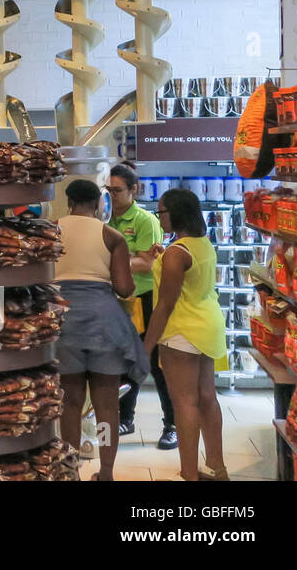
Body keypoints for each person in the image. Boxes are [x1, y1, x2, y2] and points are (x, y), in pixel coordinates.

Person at [54, 179, 151, 481]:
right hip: (104, 324)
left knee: (69, 403)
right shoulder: (111, 235)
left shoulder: (50, 229)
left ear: (68, 203)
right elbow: (124, 289)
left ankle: (71, 472)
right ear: (98, 204)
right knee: (107, 405)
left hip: (62, 319)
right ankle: (106, 471)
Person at [143, 188, 229, 481]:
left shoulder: (176, 254)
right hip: (208, 325)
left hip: (181, 331)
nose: (159, 217)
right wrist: (163, 257)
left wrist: (146, 346)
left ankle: (190, 474)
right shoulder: (201, 243)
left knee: (184, 404)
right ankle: (218, 468)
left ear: (175, 213)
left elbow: (165, 306)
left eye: (161, 212)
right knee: (207, 397)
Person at [108, 162, 176, 448]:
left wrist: (111, 262)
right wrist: (127, 261)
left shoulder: (145, 221)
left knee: (156, 364)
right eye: (108, 190)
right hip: (115, 300)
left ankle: (172, 425)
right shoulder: (104, 218)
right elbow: (134, 261)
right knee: (123, 363)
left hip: (144, 300)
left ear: (134, 189)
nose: (112, 196)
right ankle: (125, 419)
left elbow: (148, 264)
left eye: (118, 190)